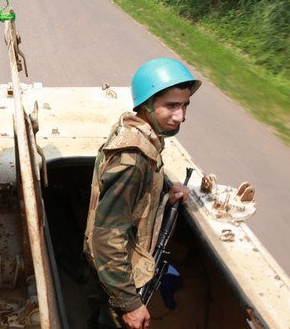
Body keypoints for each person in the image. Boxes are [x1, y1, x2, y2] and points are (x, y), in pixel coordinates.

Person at [83, 58, 201, 329]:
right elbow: (107, 238)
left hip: (112, 271)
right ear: (147, 104)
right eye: (171, 106)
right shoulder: (134, 158)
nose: (180, 116)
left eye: (184, 106)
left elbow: (132, 203)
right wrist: (130, 304)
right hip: (116, 275)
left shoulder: (134, 130)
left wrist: (164, 199)